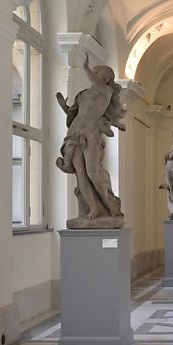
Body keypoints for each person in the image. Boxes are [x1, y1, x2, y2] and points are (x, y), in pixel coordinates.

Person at [56, 53, 126, 228]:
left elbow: (94, 87)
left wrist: (85, 67)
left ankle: (109, 207)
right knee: (81, 175)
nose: (94, 72)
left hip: (91, 134)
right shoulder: (83, 94)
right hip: (74, 133)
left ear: (107, 79)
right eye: (93, 71)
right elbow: (75, 114)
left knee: (93, 172)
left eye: (97, 71)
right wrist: (64, 106)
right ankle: (92, 210)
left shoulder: (105, 91)